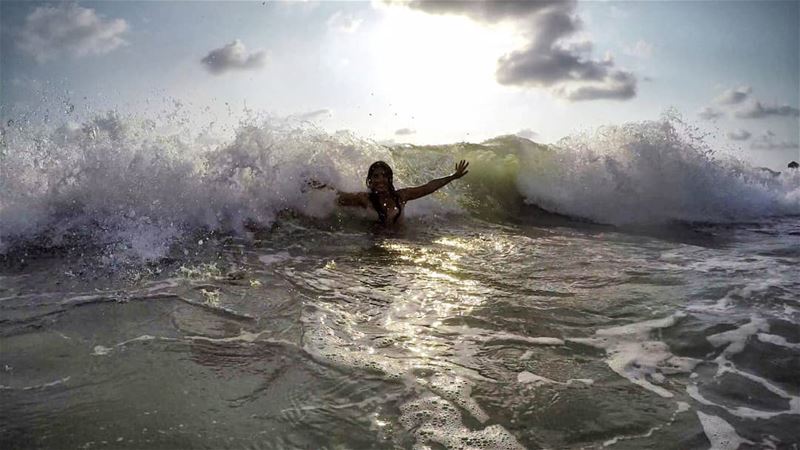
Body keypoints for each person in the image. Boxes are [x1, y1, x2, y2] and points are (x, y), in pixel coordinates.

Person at [313, 160, 469, 226]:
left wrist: (453, 176)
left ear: (389, 179)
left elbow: (428, 187)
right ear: (370, 181)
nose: (380, 180)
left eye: (384, 176)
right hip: (375, 243)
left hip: (400, 242)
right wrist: (319, 186)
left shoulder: (401, 196)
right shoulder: (364, 199)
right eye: (376, 176)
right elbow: (338, 195)